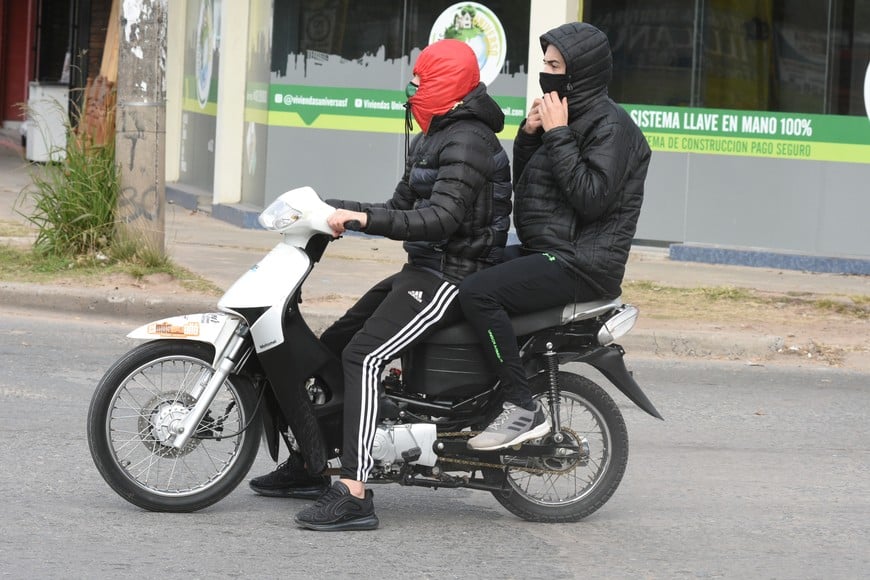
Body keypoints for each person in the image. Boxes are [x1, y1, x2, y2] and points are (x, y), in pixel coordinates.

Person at [250, 39, 512, 531]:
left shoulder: (469, 141)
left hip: (455, 276)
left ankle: (353, 490)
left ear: (444, 86)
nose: (411, 91)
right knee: (335, 343)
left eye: (420, 83)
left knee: (363, 357)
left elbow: (439, 219)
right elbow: (399, 206)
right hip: (424, 269)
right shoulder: (433, 136)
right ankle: (312, 462)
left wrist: (363, 219)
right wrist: (330, 210)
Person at [460, 22, 651, 451]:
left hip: (582, 263)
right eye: (544, 63)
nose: (545, 73)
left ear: (579, 71)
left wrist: (559, 133)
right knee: (461, 270)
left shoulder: (612, 125)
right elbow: (535, 188)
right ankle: (467, 399)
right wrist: (530, 137)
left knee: (478, 293)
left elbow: (591, 198)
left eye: (553, 65)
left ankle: (521, 405)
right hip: (548, 250)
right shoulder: (567, 115)